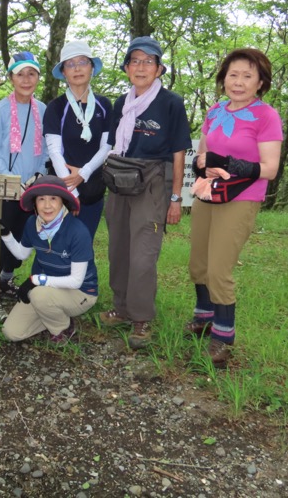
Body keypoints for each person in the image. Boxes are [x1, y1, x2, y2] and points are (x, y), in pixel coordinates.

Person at [187, 48, 283, 367]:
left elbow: (269, 168)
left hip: (242, 198)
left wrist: (225, 163)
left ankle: (223, 336)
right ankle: (204, 317)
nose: (238, 82)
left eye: (247, 76)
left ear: (260, 82)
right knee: (198, 263)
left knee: (218, 269)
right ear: (223, 78)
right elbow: (202, 154)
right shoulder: (215, 111)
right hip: (208, 194)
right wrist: (202, 167)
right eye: (233, 74)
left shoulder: (266, 116)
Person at [101, 36, 191, 349]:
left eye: (148, 61)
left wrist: (176, 198)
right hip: (120, 177)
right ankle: (122, 307)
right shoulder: (119, 104)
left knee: (143, 253)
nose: (141, 67)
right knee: (119, 248)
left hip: (154, 180)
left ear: (159, 68)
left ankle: (141, 319)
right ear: (126, 68)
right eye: (135, 61)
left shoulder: (171, 103)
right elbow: (112, 145)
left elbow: (179, 152)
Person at [0, 176, 98, 343]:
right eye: (41, 199)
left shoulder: (78, 231)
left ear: (63, 202)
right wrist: (7, 236)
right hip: (47, 290)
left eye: (53, 198)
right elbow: (22, 254)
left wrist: (36, 280)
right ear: (35, 204)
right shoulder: (33, 223)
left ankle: (63, 329)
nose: (47, 205)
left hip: (80, 293)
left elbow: (76, 281)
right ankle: (52, 314)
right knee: (11, 332)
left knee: (38, 295)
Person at [0, 51, 48, 300]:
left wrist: (39, 175)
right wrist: (13, 182)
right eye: (21, 74)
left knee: (24, 237)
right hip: (4, 187)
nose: (26, 79)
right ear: (11, 77)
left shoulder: (42, 110)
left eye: (32, 73)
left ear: (38, 78)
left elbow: (47, 149)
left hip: (33, 188)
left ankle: (5, 280)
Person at [44, 40, 113, 239]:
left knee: (84, 244)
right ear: (63, 72)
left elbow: (107, 146)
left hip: (93, 186)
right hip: (61, 190)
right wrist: (71, 193)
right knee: (57, 245)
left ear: (92, 67)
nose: (77, 68)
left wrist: (84, 172)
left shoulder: (104, 105)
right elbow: (55, 151)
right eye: (70, 64)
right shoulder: (56, 107)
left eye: (83, 62)